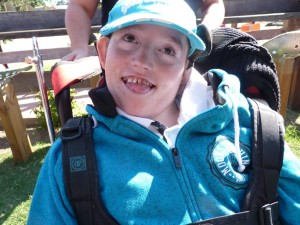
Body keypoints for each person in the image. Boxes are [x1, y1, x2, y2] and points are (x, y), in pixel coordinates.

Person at [27, 0, 300, 224]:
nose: (143, 61)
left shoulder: (252, 126)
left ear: (186, 67)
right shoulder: (72, 160)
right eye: (130, 38)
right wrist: (77, 46)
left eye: (168, 49)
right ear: (103, 51)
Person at [62, 0, 225, 61]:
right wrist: (80, 47)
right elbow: (80, 5)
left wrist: (204, 32)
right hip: (119, 59)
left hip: (180, 58)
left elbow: (214, 3)